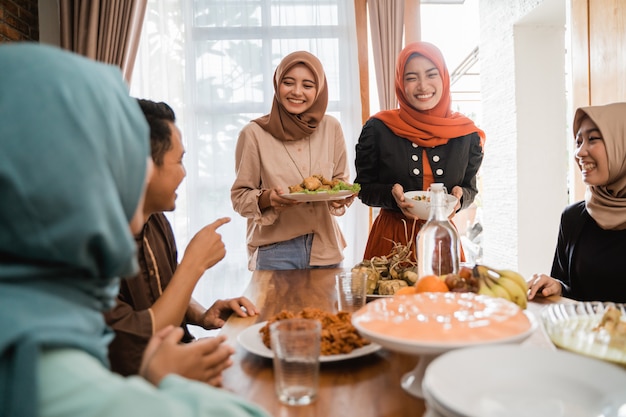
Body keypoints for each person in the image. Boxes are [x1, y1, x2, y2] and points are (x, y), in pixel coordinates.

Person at [0, 43, 269, 417]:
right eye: (120, 158)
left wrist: (199, 315)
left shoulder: (147, 228)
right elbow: (130, 340)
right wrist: (160, 381)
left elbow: (154, 301)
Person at [105, 99, 259, 378]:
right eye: (179, 161)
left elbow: (168, 291)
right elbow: (134, 343)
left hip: (179, 357)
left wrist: (201, 315)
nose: (185, 173)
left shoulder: (156, 220)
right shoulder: (95, 241)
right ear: (144, 169)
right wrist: (194, 263)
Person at [355, 41, 485, 261]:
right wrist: (391, 195)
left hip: (442, 240)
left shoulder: (466, 134)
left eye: (431, 75)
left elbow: (470, 189)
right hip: (391, 240)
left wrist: (461, 198)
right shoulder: (378, 128)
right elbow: (363, 189)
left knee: (444, 295)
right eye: (411, 77)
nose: (423, 86)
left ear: (443, 77)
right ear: (400, 82)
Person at [231, 51, 355, 270]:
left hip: (325, 248)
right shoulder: (253, 133)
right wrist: (267, 198)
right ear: (277, 84)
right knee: (276, 307)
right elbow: (240, 198)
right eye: (288, 83)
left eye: (308, 85)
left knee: (328, 306)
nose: (297, 92)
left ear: (319, 90)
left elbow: (339, 181)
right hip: (274, 250)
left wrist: (340, 199)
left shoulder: (331, 127)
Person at [528, 103, 626, 303]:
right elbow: (572, 290)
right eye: (578, 141)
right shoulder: (573, 218)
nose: (580, 152)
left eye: (593, 139)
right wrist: (558, 288)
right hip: (583, 333)